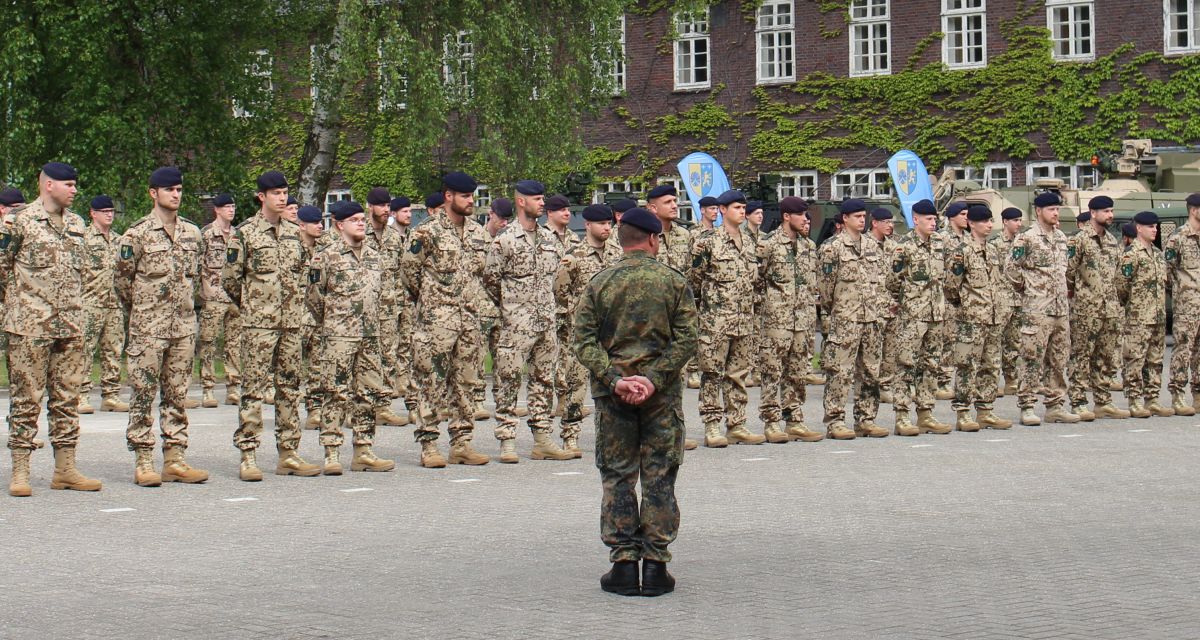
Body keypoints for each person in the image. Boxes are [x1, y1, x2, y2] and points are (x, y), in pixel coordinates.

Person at [572, 206, 697, 598]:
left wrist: (616, 379)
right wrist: (654, 379)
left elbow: (583, 342)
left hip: (614, 398)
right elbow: (687, 340)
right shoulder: (674, 282)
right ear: (654, 239)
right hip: (660, 397)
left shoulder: (600, 283)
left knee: (618, 474)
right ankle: (656, 565)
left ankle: (624, 565)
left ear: (620, 241)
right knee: (659, 473)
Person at [2, 162, 102, 496]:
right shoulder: (18, 223)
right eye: (69, 185)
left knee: (67, 399)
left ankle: (65, 469)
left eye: (75, 184)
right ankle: (20, 471)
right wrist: (17, 307)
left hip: (70, 326)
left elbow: (84, 273)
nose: (74, 190)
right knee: (26, 399)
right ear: (48, 185)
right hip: (29, 327)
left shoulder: (76, 224)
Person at [223, 170, 321, 481]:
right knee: (253, 389)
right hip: (258, 326)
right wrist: (253, 307)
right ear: (261, 197)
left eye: (284, 193)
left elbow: (303, 274)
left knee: (290, 388)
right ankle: (249, 454)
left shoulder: (295, 233)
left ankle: (289, 452)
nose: (281, 198)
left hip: (291, 324)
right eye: (275, 193)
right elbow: (230, 279)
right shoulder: (245, 233)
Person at [113, 167, 208, 486]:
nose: (176, 195)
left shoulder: (193, 233)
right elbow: (123, 283)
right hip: (148, 328)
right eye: (170, 190)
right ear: (154, 193)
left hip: (182, 327)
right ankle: (143, 459)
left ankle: (175, 458)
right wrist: (141, 313)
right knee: (142, 393)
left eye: (180, 189)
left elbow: (198, 278)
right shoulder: (136, 234)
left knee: (178, 394)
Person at [402, 172, 491, 467]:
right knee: (430, 381)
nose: (470, 202)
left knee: (466, 381)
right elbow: (409, 274)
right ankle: (429, 444)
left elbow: (483, 275)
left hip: (469, 320)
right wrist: (431, 303)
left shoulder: (479, 233)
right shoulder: (425, 232)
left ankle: (462, 442)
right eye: (465, 197)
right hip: (436, 320)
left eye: (472, 197)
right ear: (448, 196)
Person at [485, 178, 575, 462]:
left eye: (543, 198)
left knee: (543, 380)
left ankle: (542, 438)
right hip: (516, 323)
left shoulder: (550, 240)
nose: (542, 203)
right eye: (537, 199)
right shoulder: (505, 240)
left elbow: (557, 279)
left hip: (546, 321)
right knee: (509, 380)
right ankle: (507, 439)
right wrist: (512, 307)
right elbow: (490, 281)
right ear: (521, 201)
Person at [307, 201, 396, 473]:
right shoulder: (326, 256)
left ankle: (364, 450)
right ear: (339, 224)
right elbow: (314, 296)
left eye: (362, 219)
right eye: (354, 220)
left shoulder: (373, 256)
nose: (360, 223)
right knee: (335, 393)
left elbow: (384, 294)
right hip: (339, 336)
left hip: (369, 334)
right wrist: (334, 321)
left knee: (368, 393)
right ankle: (332, 452)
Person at [689, 189, 762, 446]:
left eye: (743, 208)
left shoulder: (751, 242)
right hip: (715, 322)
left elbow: (757, 282)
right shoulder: (707, 242)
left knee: (738, 374)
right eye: (736, 208)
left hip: (744, 320)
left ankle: (737, 423)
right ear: (722, 210)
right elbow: (694, 282)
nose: (742, 212)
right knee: (712, 374)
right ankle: (711, 425)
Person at [554, 203, 623, 456]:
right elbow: (560, 292)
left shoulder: (617, 254)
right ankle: (570, 435)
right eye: (601, 224)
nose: (606, 228)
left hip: (612, 333)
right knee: (576, 385)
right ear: (587, 226)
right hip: (583, 334)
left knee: (613, 385)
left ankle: (613, 436)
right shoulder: (573, 258)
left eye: (609, 224)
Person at [756, 197, 824, 443]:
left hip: (802, 320)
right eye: (801, 214)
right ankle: (772, 421)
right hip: (777, 320)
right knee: (772, 371)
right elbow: (757, 280)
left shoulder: (808, 246)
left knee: (797, 372)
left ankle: (794, 418)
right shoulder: (768, 245)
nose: (806, 219)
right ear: (787, 216)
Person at [1008, 192, 1078, 425]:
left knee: (1059, 359)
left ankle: (1055, 404)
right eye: (1051, 209)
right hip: (1037, 309)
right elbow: (1011, 270)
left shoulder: (1060, 238)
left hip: (1060, 309)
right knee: (1031, 358)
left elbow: (1065, 271)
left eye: (1057, 209)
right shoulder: (1026, 238)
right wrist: (1028, 290)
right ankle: (1027, 406)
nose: (1056, 213)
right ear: (1038, 211)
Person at [818, 199, 886, 439]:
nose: (861, 219)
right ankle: (835, 420)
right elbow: (825, 290)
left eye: (863, 215)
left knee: (870, 371)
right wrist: (838, 309)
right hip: (845, 319)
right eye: (856, 216)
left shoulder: (872, 246)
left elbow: (881, 280)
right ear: (844, 219)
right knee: (840, 372)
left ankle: (866, 418)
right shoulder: (831, 247)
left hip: (870, 318)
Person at [885, 199, 951, 436]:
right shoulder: (904, 247)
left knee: (931, 365)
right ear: (916, 220)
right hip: (912, 315)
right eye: (929, 219)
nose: (933, 223)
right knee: (905, 365)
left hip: (936, 314)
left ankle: (926, 413)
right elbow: (892, 281)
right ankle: (902, 416)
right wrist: (904, 303)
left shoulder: (941, 244)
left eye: (935, 219)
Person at [944, 205, 1013, 431]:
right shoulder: (961, 251)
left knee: (991, 365)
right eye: (984, 221)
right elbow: (951, 287)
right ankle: (963, 411)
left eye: (990, 221)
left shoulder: (993, 251)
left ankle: (985, 410)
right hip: (971, 319)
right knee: (966, 366)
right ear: (972, 224)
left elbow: (999, 282)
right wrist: (964, 306)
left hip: (993, 318)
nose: (989, 225)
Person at [1066, 196, 1128, 420]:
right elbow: (1068, 272)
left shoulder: (1112, 240)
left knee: (1105, 356)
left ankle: (1103, 401)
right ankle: (1078, 401)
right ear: (1093, 213)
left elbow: (1118, 274)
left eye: (1111, 211)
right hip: (1086, 309)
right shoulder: (1079, 240)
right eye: (1106, 211)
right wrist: (1078, 297)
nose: (1110, 215)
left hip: (1110, 308)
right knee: (1081, 355)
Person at [79, 194, 129, 414]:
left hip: (114, 304)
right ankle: (80, 395)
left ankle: (111, 395)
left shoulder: (119, 241)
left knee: (114, 350)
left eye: (111, 211)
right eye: (104, 212)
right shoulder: (83, 238)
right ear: (93, 214)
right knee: (84, 351)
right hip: (90, 303)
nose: (109, 215)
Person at [1120, 211, 1172, 418]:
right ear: (1139, 228)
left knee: (1156, 360)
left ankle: (1152, 399)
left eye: (1156, 226)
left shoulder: (1158, 254)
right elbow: (1121, 286)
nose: (1155, 229)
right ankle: (1134, 401)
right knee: (1135, 359)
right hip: (1138, 317)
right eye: (1150, 226)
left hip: (1158, 317)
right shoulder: (1131, 254)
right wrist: (1133, 306)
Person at [364, 187, 407, 427]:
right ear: (370, 206)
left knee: (388, 357)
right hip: (362, 310)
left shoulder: (394, 237)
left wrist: (401, 304)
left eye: (387, 205)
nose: (385, 210)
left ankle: (383, 406)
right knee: (362, 359)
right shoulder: (359, 233)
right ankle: (357, 406)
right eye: (380, 205)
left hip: (390, 309)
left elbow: (402, 272)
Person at [199, 193, 242, 407]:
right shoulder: (206, 234)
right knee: (209, 343)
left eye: (233, 206)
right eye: (226, 207)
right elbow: (197, 265)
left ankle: (233, 387)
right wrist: (205, 292)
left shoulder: (237, 235)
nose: (231, 210)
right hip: (213, 296)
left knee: (234, 344)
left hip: (233, 297)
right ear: (217, 209)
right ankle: (208, 388)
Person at [472, 197, 514, 419]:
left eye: (508, 219)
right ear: (491, 214)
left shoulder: (510, 241)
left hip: (503, 306)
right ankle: (477, 400)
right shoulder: (475, 238)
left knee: (503, 356)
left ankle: (503, 399)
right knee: (477, 354)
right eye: (501, 218)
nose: (504, 223)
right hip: (479, 306)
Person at [544, 194, 581, 420]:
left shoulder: (575, 239)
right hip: (548, 305)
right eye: (560, 209)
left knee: (569, 353)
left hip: (571, 307)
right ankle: (549, 400)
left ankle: (566, 400)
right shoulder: (542, 238)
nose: (566, 213)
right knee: (550, 354)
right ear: (549, 212)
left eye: (568, 209)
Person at [1163, 193, 1200, 414]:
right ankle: (1177, 394)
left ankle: (1198, 394)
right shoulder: (1178, 238)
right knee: (1183, 349)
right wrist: (1180, 293)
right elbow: (1167, 273)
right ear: (1194, 210)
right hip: (1187, 303)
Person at [295, 205, 329, 430]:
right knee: (292, 366)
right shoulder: (291, 247)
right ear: (301, 225)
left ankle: (315, 410)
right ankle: (288, 412)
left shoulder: (326, 248)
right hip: (293, 315)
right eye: (314, 223)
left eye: (321, 222)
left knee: (317, 364)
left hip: (317, 314)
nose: (319, 226)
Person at [936, 202, 970, 400]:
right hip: (946, 295)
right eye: (962, 214)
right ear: (952, 217)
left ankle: (959, 380)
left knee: (962, 340)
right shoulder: (941, 238)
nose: (966, 218)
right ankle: (942, 381)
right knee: (946, 340)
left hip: (965, 296)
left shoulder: (967, 238)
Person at [991, 207, 1023, 396]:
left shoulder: (1022, 243)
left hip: (1018, 298)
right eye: (1015, 220)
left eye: (1020, 220)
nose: (1018, 224)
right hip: (1000, 299)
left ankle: (1011, 379)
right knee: (994, 342)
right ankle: (992, 380)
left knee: (1014, 342)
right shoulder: (995, 243)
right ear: (1005, 222)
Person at [869, 208, 899, 404]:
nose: (890, 225)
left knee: (890, 349)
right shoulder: (864, 245)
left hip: (891, 306)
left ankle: (885, 385)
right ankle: (869, 386)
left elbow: (899, 276)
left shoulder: (895, 247)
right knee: (871, 351)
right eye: (886, 222)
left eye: (891, 222)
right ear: (875, 223)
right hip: (871, 307)